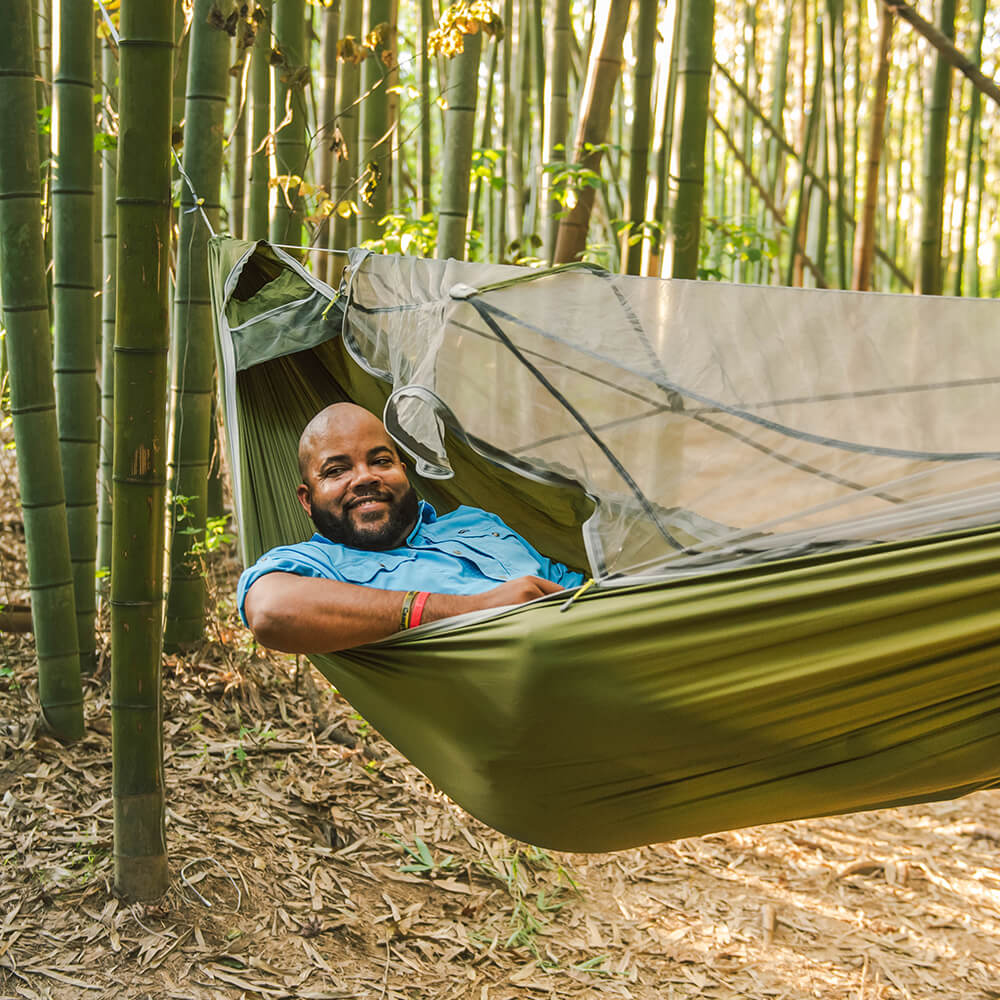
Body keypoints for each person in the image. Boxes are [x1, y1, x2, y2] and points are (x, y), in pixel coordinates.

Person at [239, 403, 585, 653]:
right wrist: (476, 608)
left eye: (380, 461)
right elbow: (272, 612)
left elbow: (579, 590)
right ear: (307, 499)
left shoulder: (477, 522)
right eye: (336, 470)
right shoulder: (319, 564)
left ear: (404, 471)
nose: (365, 477)